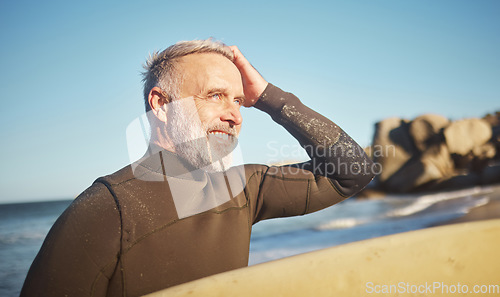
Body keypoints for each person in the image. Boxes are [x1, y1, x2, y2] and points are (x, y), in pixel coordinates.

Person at [20, 39, 375, 297]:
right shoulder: (106, 209)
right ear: (160, 104)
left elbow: (353, 171)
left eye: (239, 100)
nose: (235, 114)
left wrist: (268, 97)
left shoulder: (243, 188)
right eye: (214, 95)